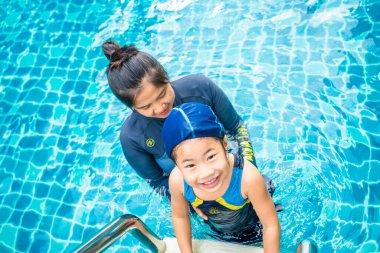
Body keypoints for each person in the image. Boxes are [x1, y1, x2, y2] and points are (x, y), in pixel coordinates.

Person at [102, 41, 255, 199]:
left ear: (167, 78)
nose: (160, 107)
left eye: (162, 94)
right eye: (146, 107)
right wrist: (195, 201)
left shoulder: (200, 88)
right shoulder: (132, 137)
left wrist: (247, 171)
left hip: (230, 170)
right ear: (133, 107)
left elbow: (237, 129)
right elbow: (157, 181)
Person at [162, 103, 281, 252]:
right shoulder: (177, 180)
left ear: (225, 143)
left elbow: (270, 225)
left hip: (253, 227)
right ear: (177, 165)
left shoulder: (248, 178)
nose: (206, 173)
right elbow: (180, 217)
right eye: (190, 165)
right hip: (217, 228)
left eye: (211, 156)